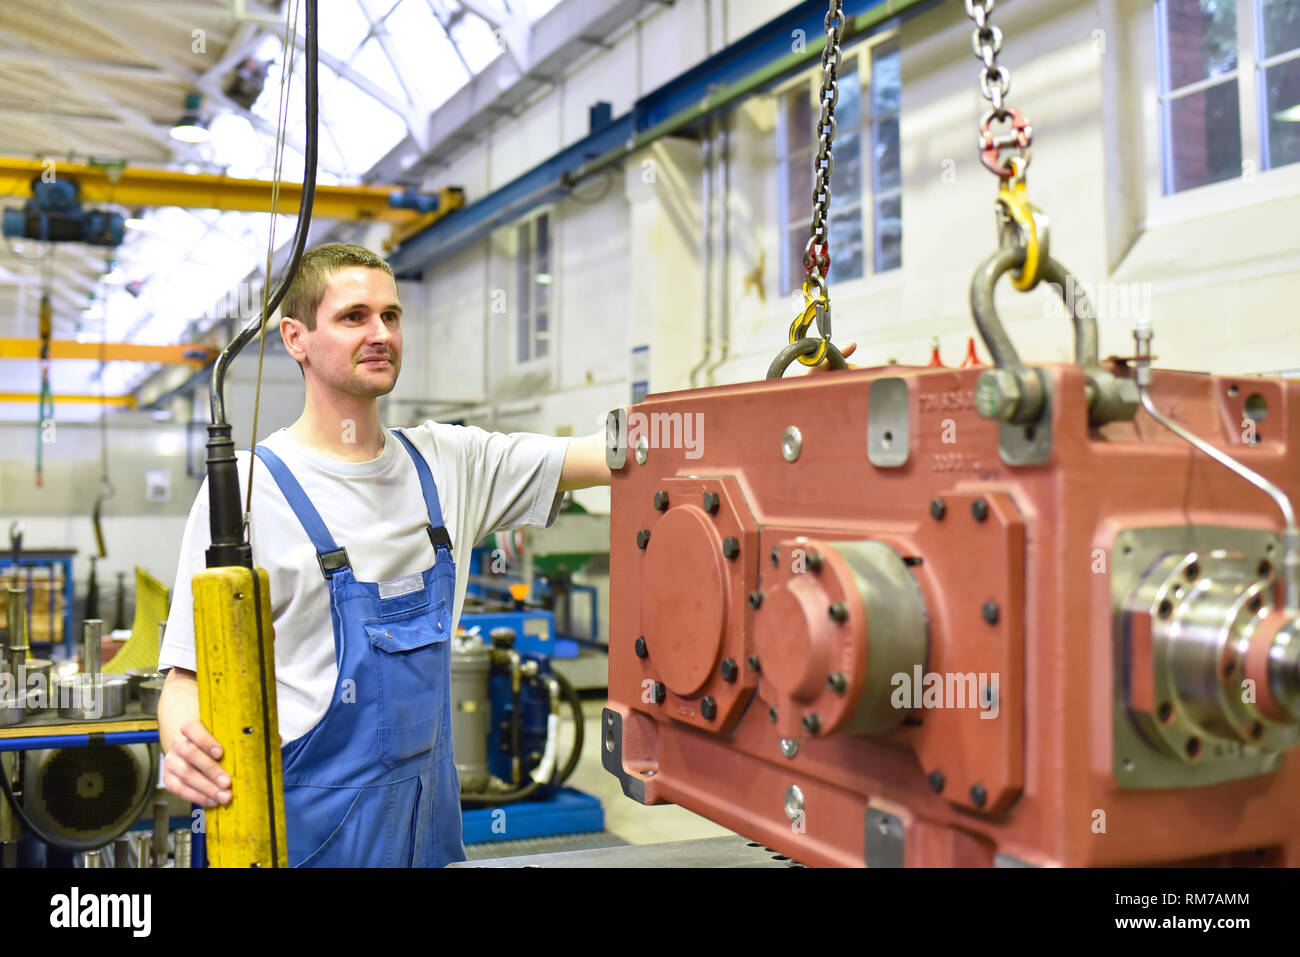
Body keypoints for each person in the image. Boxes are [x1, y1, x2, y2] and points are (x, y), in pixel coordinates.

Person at [156, 243, 611, 867]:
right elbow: (186, 675)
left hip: (429, 830)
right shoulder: (245, 488)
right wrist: (180, 730)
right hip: (306, 835)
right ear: (296, 338)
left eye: (391, 316)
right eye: (354, 317)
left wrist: (725, 425)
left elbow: (608, 452)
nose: (381, 334)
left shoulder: (450, 463)